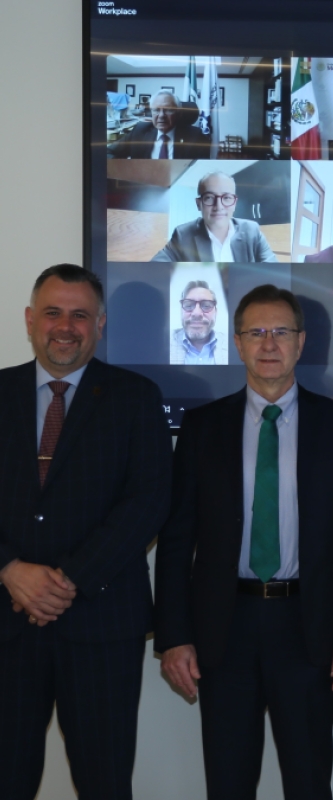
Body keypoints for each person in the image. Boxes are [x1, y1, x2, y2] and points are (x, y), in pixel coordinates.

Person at [154, 284, 333, 800]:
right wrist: (173, 635)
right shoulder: (202, 427)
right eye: (256, 332)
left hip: (309, 628)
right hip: (222, 627)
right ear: (236, 343)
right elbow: (175, 540)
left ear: (301, 343)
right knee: (228, 782)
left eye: (281, 332)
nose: (269, 344)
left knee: (308, 781)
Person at [0, 264, 173, 799]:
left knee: (104, 780)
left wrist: (66, 580)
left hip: (101, 625)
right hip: (6, 624)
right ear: (31, 320)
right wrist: (10, 568)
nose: (65, 326)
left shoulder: (135, 396)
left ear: (100, 324)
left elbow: (148, 502)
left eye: (80, 314)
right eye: (53, 312)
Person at [152, 172, 278, 263]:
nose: (218, 206)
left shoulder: (252, 231)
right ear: (199, 204)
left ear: (234, 203)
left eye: (227, 198)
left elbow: (272, 272)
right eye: (209, 198)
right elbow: (154, 268)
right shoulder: (183, 235)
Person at [108, 90, 212, 160]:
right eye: (156, 110)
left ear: (178, 113)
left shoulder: (195, 137)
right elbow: (109, 151)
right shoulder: (139, 131)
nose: (162, 115)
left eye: (168, 110)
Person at [169, 280, 228, 365]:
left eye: (206, 306)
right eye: (189, 305)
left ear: (216, 312)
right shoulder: (162, 343)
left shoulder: (232, 346)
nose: (196, 313)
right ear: (181, 311)